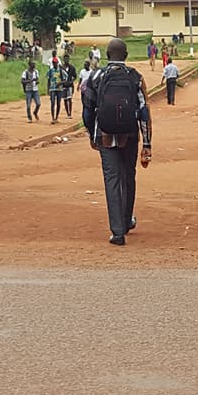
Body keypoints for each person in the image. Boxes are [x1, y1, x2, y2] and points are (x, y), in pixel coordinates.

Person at [83, 38, 152, 246]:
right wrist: (147, 143)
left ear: (106, 55)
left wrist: (91, 134)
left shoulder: (95, 76)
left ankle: (117, 232)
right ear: (126, 55)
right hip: (129, 135)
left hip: (104, 135)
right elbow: (144, 112)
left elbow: (87, 110)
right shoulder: (135, 77)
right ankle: (126, 219)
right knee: (128, 176)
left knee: (111, 179)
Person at [46, 52, 65, 124]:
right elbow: (48, 80)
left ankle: (56, 117)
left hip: (59, 88)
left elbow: (65, 79)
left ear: (57, 63)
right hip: (52, 88)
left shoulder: (61, 71)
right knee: (52, 102)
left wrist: (60, 83)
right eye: (53, 63)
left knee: (58, 103)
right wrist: (48, 89)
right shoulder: (50, 71)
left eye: (55, 63)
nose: (54, 64)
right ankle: (53, 117)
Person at [62, 54, 77, 119]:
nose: (66, 60)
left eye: (67, 59)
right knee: (65, 99)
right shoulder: (61, 68)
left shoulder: (72, 68)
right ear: (63, 59)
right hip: (63, 85)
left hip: (70, 85)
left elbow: (75, 76)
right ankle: (67, 113)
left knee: (70, 99)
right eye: (65, 59)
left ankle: (70, 113)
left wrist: (71, 81)